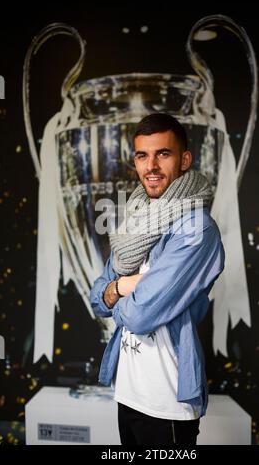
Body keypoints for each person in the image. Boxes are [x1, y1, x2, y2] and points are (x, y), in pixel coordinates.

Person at [90, 113, 225, 445]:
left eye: (162, 153)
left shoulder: (197, 229)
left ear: (184, 160)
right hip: (128, 391)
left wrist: (116, 296)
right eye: (142, 155)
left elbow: (139, 315)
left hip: (167, 403)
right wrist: (124, 286)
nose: (151, 165)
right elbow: (97, 298)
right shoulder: (136, 219)